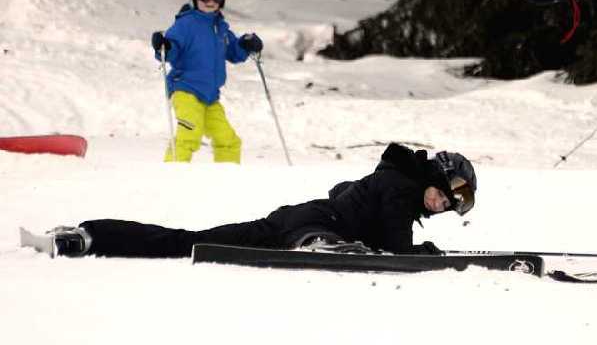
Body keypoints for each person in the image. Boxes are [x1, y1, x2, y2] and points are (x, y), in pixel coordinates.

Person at [48, 143, 477, 258]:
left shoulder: (389, 182)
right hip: (313, 224)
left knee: (186, 241)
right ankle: (315, 245)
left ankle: (89, 236)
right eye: (445, 193)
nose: (443, 204)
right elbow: (395, 250)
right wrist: (421, 252)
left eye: (450, 205)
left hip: (290, 220)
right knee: (320, 234)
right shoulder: (401, 187)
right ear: (433, 174)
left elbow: (343, 193)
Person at [152, 0, 263, 163]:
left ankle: (226, 178)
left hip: (210, 97)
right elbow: (171, 49)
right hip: (185, 90)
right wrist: (165, 46)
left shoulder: (220, 27)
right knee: (190, 132)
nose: (210, 1)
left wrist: (245, 45)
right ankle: (173, 173)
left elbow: (233, 51)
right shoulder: (185, 24)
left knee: (228, 140)